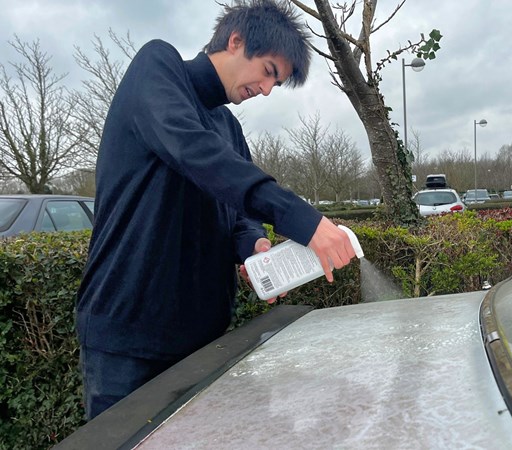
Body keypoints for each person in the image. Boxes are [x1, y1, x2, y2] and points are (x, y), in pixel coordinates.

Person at [76, 0, 356, 420]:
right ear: (235, 40)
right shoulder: (158, 68)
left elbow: (237, 212)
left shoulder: (228, 127)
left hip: (203, 340)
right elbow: (195, 153)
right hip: (127, 337)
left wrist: (254, 244)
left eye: (274, 85)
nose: (265, 90)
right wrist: (302, 218)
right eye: (267, 72)